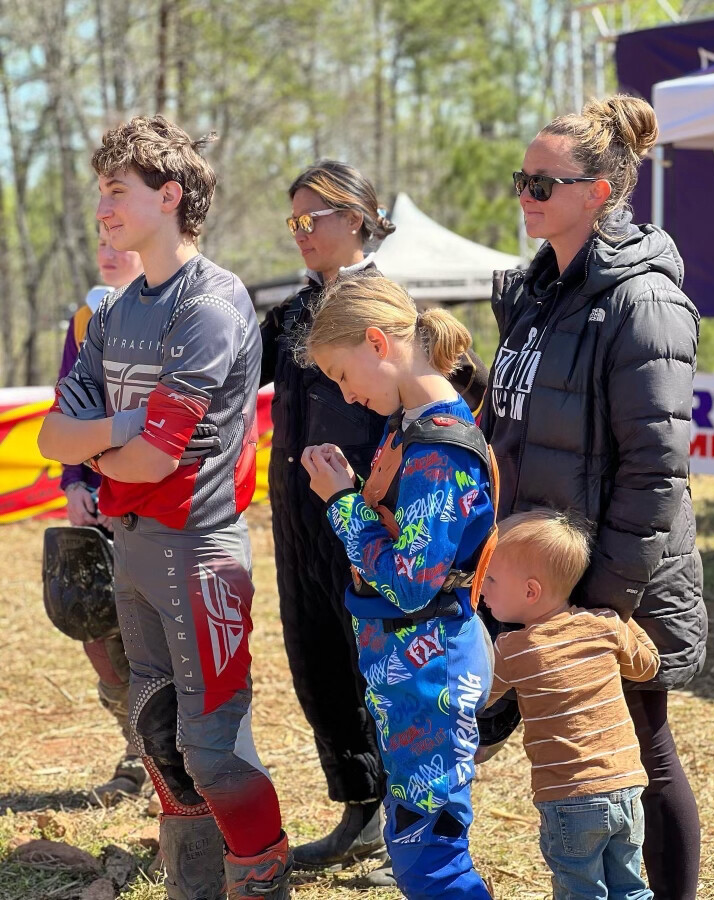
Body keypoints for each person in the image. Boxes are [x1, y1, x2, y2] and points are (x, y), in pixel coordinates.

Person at [38, 115, 291, 900]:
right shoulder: (114, 311)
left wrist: (105, 446)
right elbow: (53, 436)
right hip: (133, 544)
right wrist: (121, 433)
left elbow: (154, 458)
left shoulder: (211, 301)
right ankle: (194, 886)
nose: (102, 208)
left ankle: (263, 880)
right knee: (157, 735)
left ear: (170, 196)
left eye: (117, 191)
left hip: (200, 550)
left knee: (213, 748)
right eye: (101, 191)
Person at [480, 94, 706, 900]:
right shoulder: (539, 294)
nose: (526, 194)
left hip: (616, 583)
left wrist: (598, 605)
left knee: (644, 751)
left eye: (543, 183)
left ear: (598, 193)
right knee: (600, 763)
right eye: (522, 179)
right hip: (551, 576)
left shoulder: (644, 302)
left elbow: (655, 469)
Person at [260, 159, 488, 882]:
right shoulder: (291, 315)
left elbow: (461, 393)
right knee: (320, 662)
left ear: (357, 219)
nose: (299, 232)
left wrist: (374, 494)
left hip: (375, 520)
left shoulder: (395, 319)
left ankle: (412, 822)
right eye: (291, 220)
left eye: (312, 217)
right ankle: (363, 810)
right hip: (305, 518)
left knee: (390, 675)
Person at [299, 273, 496, 899]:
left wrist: (340, 502)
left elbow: (411, 583)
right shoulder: (409, 427)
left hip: (430, 670)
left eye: (341, 374)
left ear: (378, 343)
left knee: (430, 857)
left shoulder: (437, 449)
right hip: (410, 671)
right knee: (417, 844)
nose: (346, 394)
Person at [483, 508, 659, 900]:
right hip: (626, 785)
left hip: (568, 796)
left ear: (530, 592)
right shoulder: (605, 626)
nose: (481, 589)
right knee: (631, 888)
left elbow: (477, 697)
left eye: (490, 578)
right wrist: (622, 618)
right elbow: (648, 667)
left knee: (580, 892)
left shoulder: (512, 648)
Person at [53, 231, 146, 805]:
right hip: (94, 498)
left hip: (149, 497)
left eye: (120, 242)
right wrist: (72, 484)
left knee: (150, 638)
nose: (108, 253)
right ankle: (137, 746)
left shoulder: (175, 310)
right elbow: (68, 404)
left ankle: (161, 762)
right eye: (101, 242)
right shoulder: (86, 316)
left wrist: (125, 488)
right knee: (92, 626)